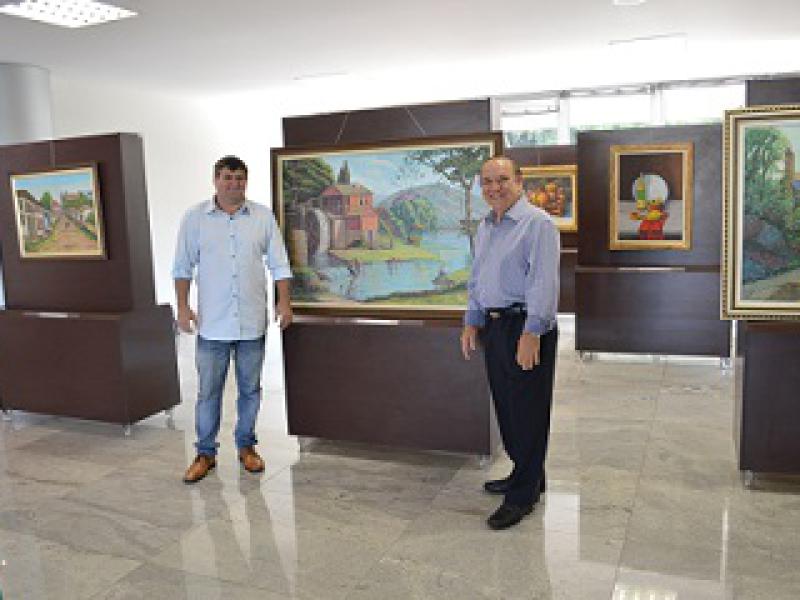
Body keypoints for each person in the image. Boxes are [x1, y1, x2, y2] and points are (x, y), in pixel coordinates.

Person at [173, 155, 293, 484]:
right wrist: (182, 308)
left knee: (250, 391)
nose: (233, 184)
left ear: (246, 182)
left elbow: (279, 264)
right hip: (212, 324)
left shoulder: (262, 217)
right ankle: (205, 453)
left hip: (251, 322)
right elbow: (182, 267)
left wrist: (284, 302)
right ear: (215, 180)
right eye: (227, 177)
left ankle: (246, 447)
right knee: (208, 393)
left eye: (239, 178)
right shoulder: (195, 218)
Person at [461, 156, 560, 530]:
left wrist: (532, 332)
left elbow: (544, 283)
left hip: (525, 325)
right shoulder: (486, 226)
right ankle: (528, 473)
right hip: (495, 326)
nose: (494, 187)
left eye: (502, 179)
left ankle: (522, 496)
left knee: (528, 411)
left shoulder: (538, 224)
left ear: (519, 181)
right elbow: (477, 278)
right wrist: (472, 320)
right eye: (487, 181)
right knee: (508, 407)